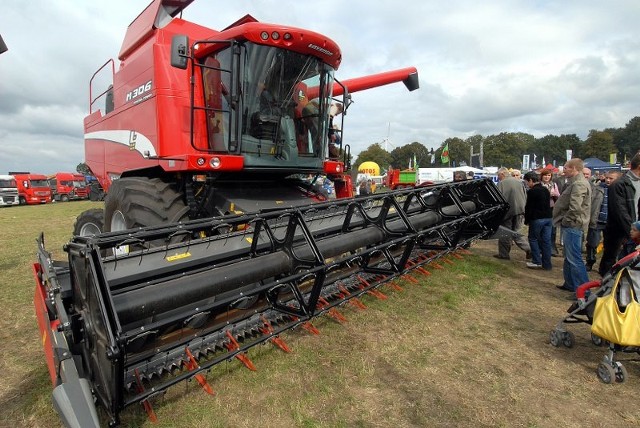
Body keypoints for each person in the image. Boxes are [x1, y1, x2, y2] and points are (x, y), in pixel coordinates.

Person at [552, 158, 591, 294]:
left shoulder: (579, 184)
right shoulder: (575, 183)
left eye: (566, 168)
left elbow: (575, 207)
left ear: (574, 168)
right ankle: (570, 284)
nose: (564, 170)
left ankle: (584, 292)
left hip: (573, 225)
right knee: (569, 257)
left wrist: (566, 221)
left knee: (575, 259)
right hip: (572, 225)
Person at [599, 154, 640, 276]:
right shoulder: (619, 184)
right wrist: (633, 232)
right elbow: (620, 212)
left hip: (635, 232)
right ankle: (608, 289)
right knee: (612, 262)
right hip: (620, 232)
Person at [585, 170, 620, 271]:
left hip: (611, 222)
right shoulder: (598, 188)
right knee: (592, 243)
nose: (608, 180)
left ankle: (605, 266)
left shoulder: (620, 190)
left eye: (611, 178)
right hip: (597, 220)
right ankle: (590, 261)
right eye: (607, 178)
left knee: (609, 245)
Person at [494, 167, 531, 260]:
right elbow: (525, 195)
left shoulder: (502, 183)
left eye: (498, 175)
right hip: (520, 211)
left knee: (505, 233)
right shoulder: (519, 182)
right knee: (517, 231)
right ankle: (529, 248)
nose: (498, 177)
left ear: (502, 174)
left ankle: (504, 254)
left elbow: (499, 198)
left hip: (508, 212)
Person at [523, 171, 553, 270]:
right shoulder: (545, 189)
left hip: (537, 218)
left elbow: (529, 207)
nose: (527, 184)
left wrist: (526, 220)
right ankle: (547, 264)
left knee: (533, 239)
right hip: (548, 217)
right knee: (546, 241)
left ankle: (536, 261)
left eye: (527, 182)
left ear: (530, 180)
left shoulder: (532, 191)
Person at [540, 169, 561, 256]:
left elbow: (559, 196)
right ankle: (541, 248)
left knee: (552, 229)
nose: (547, 177)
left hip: (551, 208)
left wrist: (554, 195)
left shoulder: (553, 184)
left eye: (549, 175)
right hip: (541, 209)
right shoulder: (539, 185)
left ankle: (552, 248)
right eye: (545, 175)